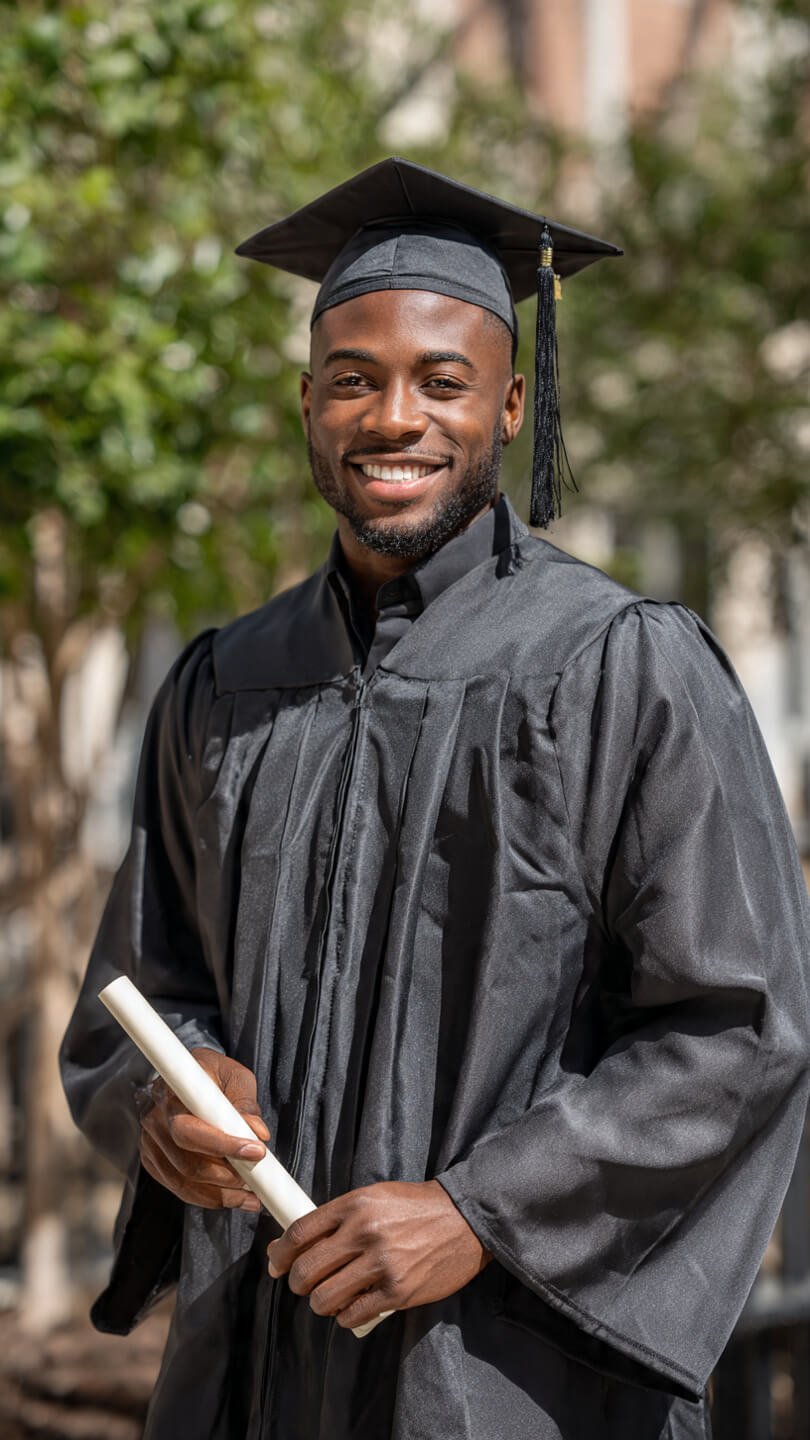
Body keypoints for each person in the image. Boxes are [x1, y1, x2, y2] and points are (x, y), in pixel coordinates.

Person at [60, 158, 810, 1440]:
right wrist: (165, 1107)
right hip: (252, 1371)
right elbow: (140, 994)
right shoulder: (226, 682)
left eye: (442, 381)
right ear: (308, 402)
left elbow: (734, 1028)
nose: (393, 417)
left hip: (508, 1378)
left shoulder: (622, 668)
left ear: (512, 404)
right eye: (353, 379)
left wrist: (481, 1213)